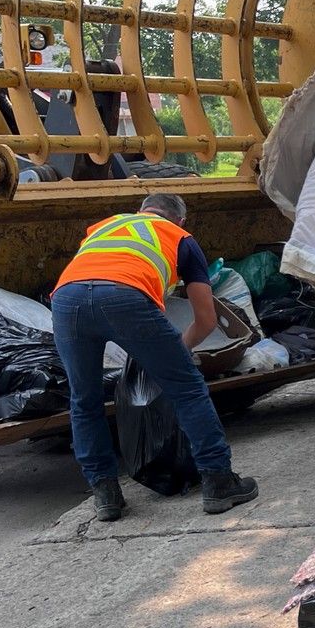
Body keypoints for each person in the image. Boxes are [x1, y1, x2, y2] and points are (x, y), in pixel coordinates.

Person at [51, 194, 258, 521]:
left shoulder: (105, 226)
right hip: (125, 297)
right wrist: (180, 349)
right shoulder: (181, 239)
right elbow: (206, 320)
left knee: (84, 401)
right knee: (187, 389)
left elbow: (93, 274)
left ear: (141, 211)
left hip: (66, 300)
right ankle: (218, 481)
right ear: (181, 220)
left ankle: (106, 495)